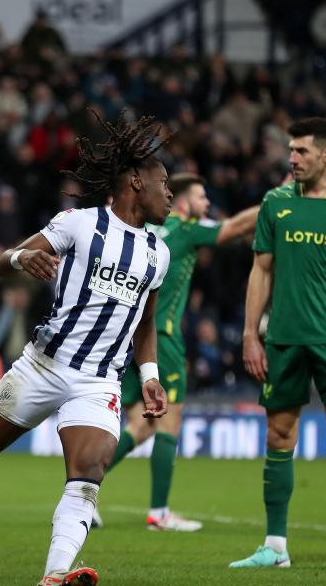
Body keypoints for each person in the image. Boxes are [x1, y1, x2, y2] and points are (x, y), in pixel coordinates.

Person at [0, 112, 173, 586]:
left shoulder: (156, 254)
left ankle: (54, 575)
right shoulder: (79, 224)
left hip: (98, 380)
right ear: (136, 181)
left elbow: (145, 323)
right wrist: (21, 259)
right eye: (164, 183)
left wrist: (150, 375)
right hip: (44, 365)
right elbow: (2, 262)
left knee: (88, 473)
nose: (170, 194)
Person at [233, 117, 326, 572]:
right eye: (290, 151)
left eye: (301, 152)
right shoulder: (276, 204)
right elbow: (261, 270)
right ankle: (275, 546)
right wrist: (250, 333)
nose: (291, 159)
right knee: (278, 435)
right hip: (284, 339)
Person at [106, 174, 259, 531]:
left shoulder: (145, 230)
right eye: (202, 198)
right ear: (186, 202)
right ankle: (159, 512)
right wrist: (279, 201)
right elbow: (234, 227)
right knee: (168, 420)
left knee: (139, 428)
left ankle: (86, 489)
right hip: (163, 339)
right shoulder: (187, 229)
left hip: (129, 338)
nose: (206, 205)